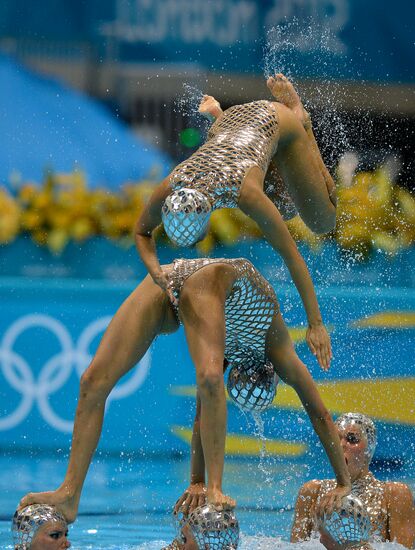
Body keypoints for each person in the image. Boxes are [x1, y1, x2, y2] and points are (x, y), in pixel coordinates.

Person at [19, 258, 350, 521]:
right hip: (199, 280)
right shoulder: (281, 351)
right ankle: (70, 491)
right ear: (271, 373)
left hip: (181, 284)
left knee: (200, 380)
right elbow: (320, 414)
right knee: (93, 381)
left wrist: (196, 481)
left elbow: (202, 415)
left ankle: (71, 494)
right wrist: (343, 482)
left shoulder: (226, 355)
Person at [135, 74, 335, 366]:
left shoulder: (246, 193)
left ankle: (302, 122)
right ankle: (219, 115)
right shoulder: (175, 181)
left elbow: (292, 257)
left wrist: (316, 325)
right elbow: (142, 231)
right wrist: (155, 271)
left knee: (321, 220)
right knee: (282, 204)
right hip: (234, 127)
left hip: (275, 120)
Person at [290, 412, 415, 549]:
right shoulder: (312, 492)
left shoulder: (394, 495)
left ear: (369, 448)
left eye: (352, 439)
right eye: (336, 439)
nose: (341, 445)